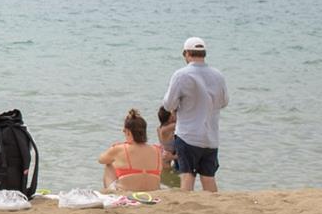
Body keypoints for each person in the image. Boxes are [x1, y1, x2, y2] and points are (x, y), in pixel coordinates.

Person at [162, 37, 228, 192]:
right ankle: (214, 207)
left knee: (187, 176)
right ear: (204, 53)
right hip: (211, 136)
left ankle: (186, 208)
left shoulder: (181, 75)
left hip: (188, 135)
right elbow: (224, 102)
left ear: (186, 53)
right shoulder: (218, 75)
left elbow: (168, 104)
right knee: (208, 176)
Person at [98, 109, 163, 191]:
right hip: (153, 192)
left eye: (124, 130)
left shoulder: (120, 148)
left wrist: (113, 149)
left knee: (108, 165)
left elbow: (101, 160)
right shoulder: (157, 150)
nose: (123, 131)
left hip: (128, 193)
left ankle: (110, 192)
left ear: (128, 132)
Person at [156, 106, 181, 188]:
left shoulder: (160, 128)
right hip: (167, 159)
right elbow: (182, 122)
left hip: (165, 157)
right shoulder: (166, 129)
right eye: (172, 115)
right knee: (172, 181)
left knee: (170, 182)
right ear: (170, 118)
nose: (174, 116)